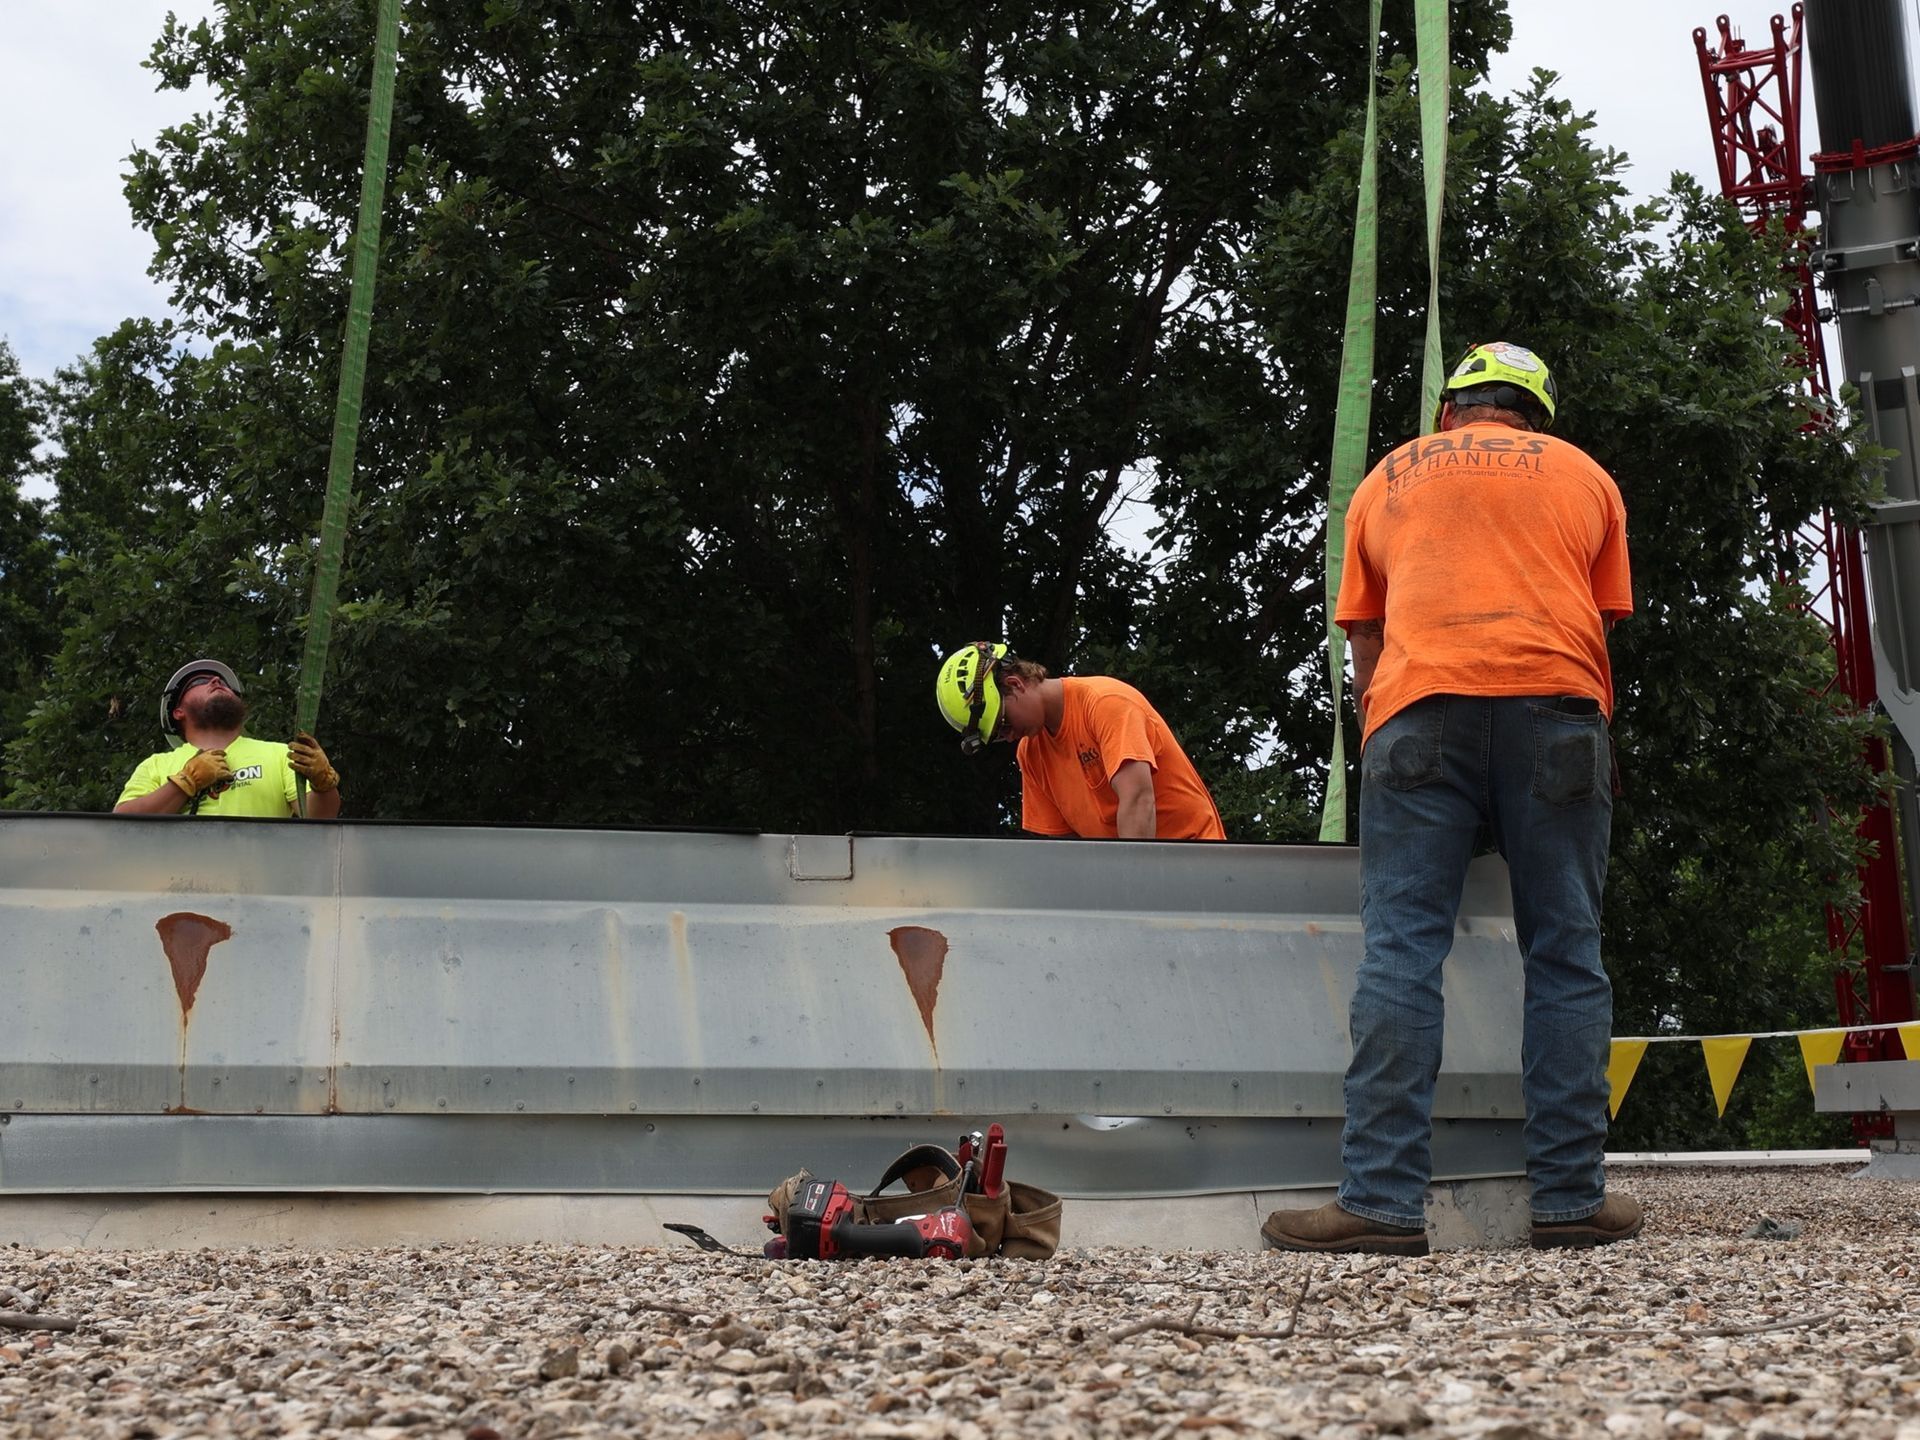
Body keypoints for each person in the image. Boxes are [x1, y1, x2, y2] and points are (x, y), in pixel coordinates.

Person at [1262, 341, 1640, 1255]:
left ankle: (1381, 1205)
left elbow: (1363, 639)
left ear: (1450, 410)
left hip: (1417, 709)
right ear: (1536, 416)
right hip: (1558, 709)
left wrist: (1384, 736)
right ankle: (1569, 1200)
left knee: (1401, 952)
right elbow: (1596, 623)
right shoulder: (1587, 477)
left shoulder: (1387, 476)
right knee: (1566, 955)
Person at [935, 642, 1226, 840]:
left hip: (1197, 868)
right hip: (1132, 884)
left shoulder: (1105, 704)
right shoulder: (1031, 753)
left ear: (1015, 684)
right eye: (998, 737)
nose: (1008, 736)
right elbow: (1062, 847)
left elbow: (1137, 800)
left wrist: (1131, 901)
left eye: (1003, 723)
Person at [114, 659, 343, 819]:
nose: (216, 681)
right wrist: (185, 782)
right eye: (198, 682)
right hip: (180, 885)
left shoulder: (281, 755)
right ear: (178, 712)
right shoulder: (156, 765)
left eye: (223, 683)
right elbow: (123, 826)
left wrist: (323, 784)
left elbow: (319, 820)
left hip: (259, 886)